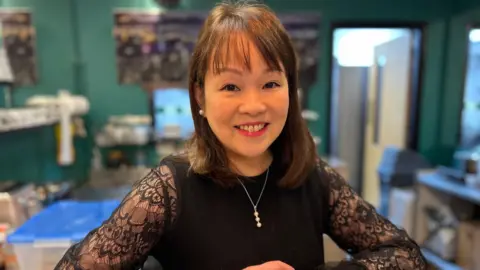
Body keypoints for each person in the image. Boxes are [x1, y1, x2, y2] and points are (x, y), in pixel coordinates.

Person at [55, 1, 427, 269]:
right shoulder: (168, 190)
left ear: (290, 89)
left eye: (269, 83)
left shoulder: (314, 178)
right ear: (201, 96)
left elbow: (405, 254)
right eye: (231, 87)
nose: (253, 105)